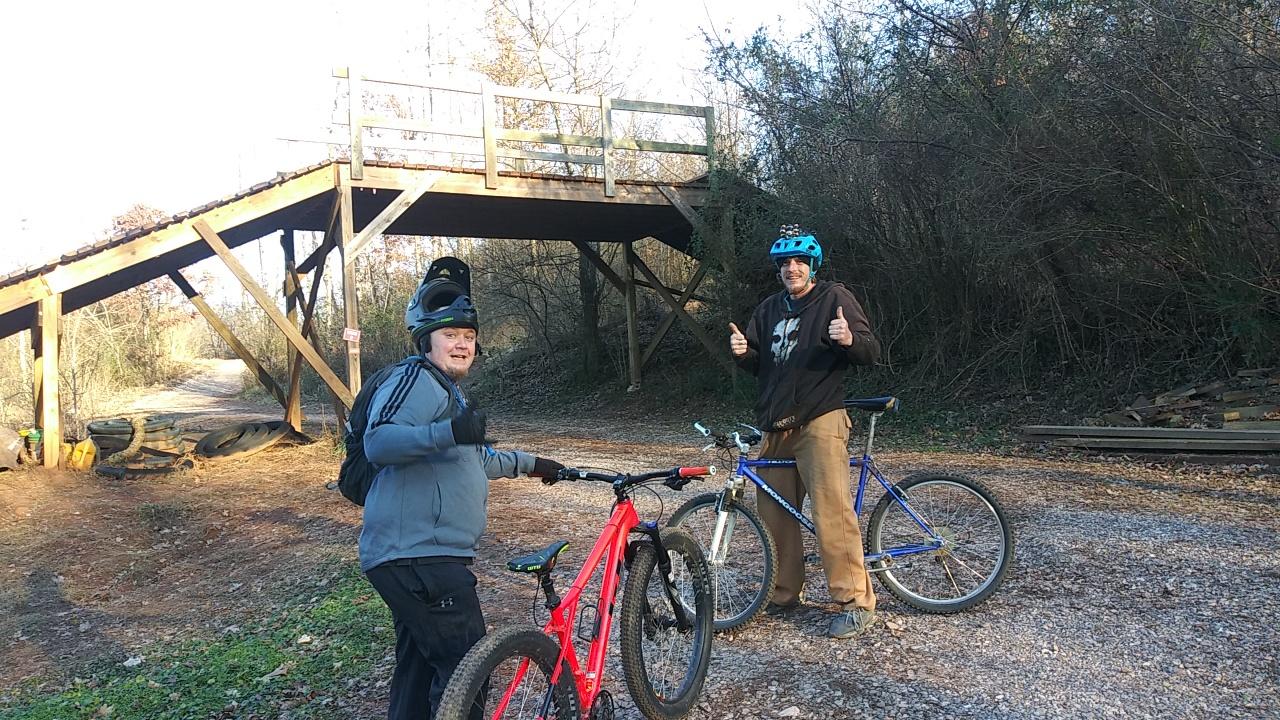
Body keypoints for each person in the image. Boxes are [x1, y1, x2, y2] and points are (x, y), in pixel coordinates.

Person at [360, 257, 564, 719]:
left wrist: (535, 464)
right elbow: (379, 441)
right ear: (425, 340)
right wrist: (449, 432)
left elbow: (475, 459)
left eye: (469, 337)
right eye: (450, 335)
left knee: (419, 671)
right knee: (465, 671)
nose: (461, 344)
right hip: (419, 556)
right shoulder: (414, 378)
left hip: (419, 556)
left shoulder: (449, 393)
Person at [727, 226, 882, 639]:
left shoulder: (834, 297)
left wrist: (848, 338)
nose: (791, 269)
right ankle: (782, 593)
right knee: (775, 514)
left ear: (812, 265)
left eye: (799, 262)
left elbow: (869, 350)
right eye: (784, 263)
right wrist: (745, 355)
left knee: (831, 512)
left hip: (820, 418)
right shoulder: (767, 309)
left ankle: (855, 602)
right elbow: (762, 362)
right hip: (776, 424)